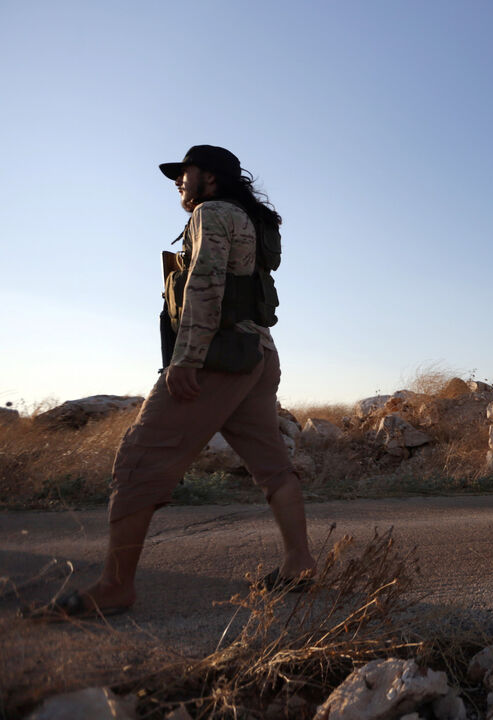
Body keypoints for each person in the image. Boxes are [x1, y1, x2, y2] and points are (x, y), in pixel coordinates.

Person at [26, 145, 316, 621]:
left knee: (138, 461)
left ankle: (115, 586)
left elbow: (205, 280)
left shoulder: (212, 212)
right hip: (259, 354)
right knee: (272, 465)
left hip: (219, 356)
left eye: (186, 174)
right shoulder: (248, 219)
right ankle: (299, 565)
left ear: (212, 179)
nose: (179, 183)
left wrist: (186, 359)